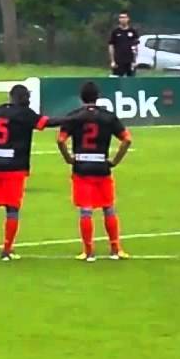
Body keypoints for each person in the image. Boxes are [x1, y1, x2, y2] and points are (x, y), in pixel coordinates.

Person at [56, 82, 133, 262]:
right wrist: (115, 160)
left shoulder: (73, 117)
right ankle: (115, 249)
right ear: (97, 97)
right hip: (101, 166)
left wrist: (68, 158)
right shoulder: (108, 116)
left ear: (81, 97)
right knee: (108, 208)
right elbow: (127, 140)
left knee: (86, 211)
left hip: (82, 166)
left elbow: (60, 141)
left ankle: (88, 252)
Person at [0, 84, 53, 261]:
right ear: (23, 98)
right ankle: (6, 249)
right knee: (12, 208)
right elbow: (46, 122)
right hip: (14, 166)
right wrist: (73, 119)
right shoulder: (24, 114)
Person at [108, 12, 140, 77]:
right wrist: (112, 61)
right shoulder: (115, 31)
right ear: (119, 19)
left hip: (130, 61)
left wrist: (135, 61)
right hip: (118, 61)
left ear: (128, 19)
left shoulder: (132, 31)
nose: (123, 19)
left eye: (124, 17)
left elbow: (136, 46)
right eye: (121, 17)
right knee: (117, 80)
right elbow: (111, 46)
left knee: (131, 80)